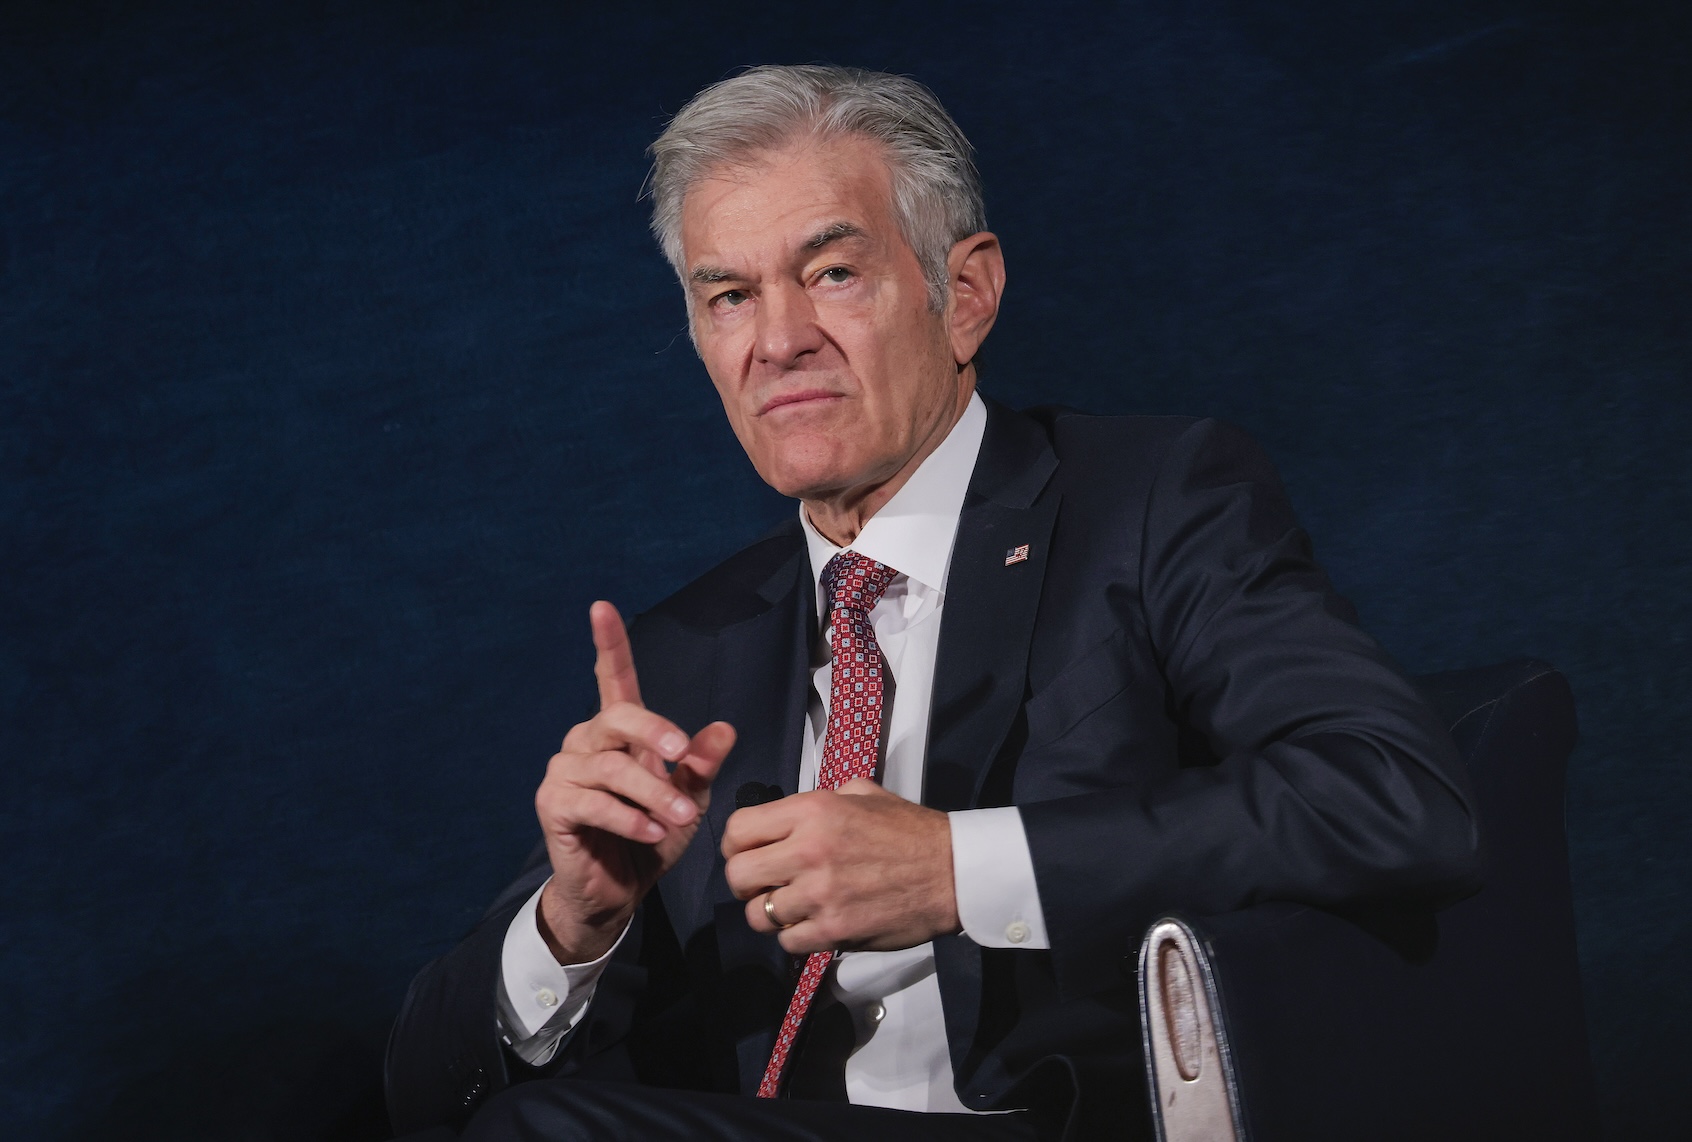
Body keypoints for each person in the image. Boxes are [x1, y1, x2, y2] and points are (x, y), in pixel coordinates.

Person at [384, 65, 1480, 1141]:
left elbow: (1394, 795)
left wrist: (957, 867)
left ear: (964, 295)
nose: (777, 340)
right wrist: (577, 919)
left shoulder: (1152, 504)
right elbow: (422, 1087)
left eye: (831, 274)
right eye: (730, 296)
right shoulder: (684, 649)